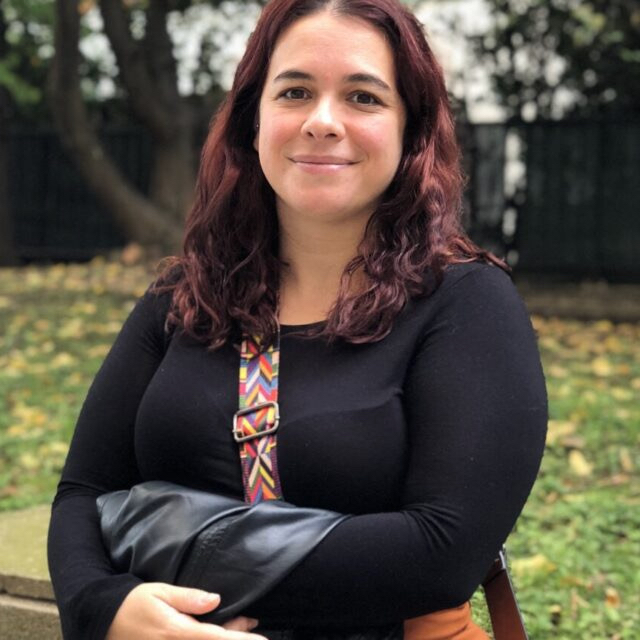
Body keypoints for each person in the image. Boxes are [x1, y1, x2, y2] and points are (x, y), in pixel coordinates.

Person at [47, 0, 548, 638]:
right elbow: (83, 491)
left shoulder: (468, 303)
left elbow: (443, 552)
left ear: (412, 130)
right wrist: (106, 609)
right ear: (253, 119)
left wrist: (191, 582)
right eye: (295, 92)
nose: (322, 122)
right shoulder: (183, 296)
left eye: (363, 97)